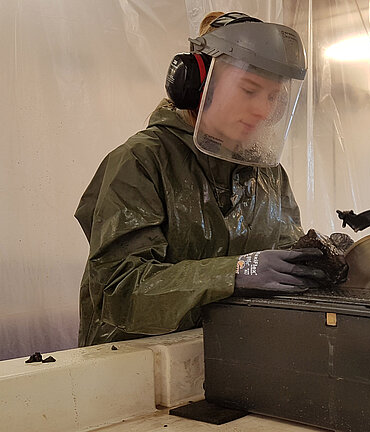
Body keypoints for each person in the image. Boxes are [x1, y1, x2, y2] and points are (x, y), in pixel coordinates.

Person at [75, 12, 332, 346]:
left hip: (232, 361)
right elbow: (119, 288)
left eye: (273, 97)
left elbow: (282, 263)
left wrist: (320, 260)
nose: (264, 111)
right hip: (133, 367)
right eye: (249, 90)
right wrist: (236, 272)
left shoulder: (268, 176)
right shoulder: (141, 162)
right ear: (198, 85)